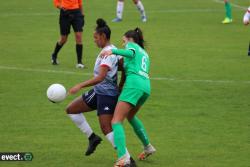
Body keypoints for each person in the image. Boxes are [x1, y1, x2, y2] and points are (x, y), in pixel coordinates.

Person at [66, 19, 137, 166]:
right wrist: (121, 83)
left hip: (107, 95)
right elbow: (124, 67)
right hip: (98, 92)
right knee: (71, 110)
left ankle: (127, 159)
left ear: (103, 36)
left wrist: (79, 85)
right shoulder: (112, 50)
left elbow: (100, 77)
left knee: (106, 127)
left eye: (96, 38)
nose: (94, 40)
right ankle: (92, 138)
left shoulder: (108, 54)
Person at [101, 28, 156, 167]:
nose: (123, 43)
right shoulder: (145, 54)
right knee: (130, 116)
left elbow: (130, 53)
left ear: (130, 39)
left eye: (123, 40)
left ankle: (123, 157)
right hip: (146, 86)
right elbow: (130, 66)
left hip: (134, 86)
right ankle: (148, 146)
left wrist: (113, 51)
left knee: (116, 121)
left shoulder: (132, 46)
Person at [51, 0, 85, 68]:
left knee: (78, 36)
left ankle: (79, 62)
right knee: (63, 39)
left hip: (77, 13)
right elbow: (56, 2)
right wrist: (61, 7)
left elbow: (80, 2)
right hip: (65, 13)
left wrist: (82, 14)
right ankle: (54, 55)